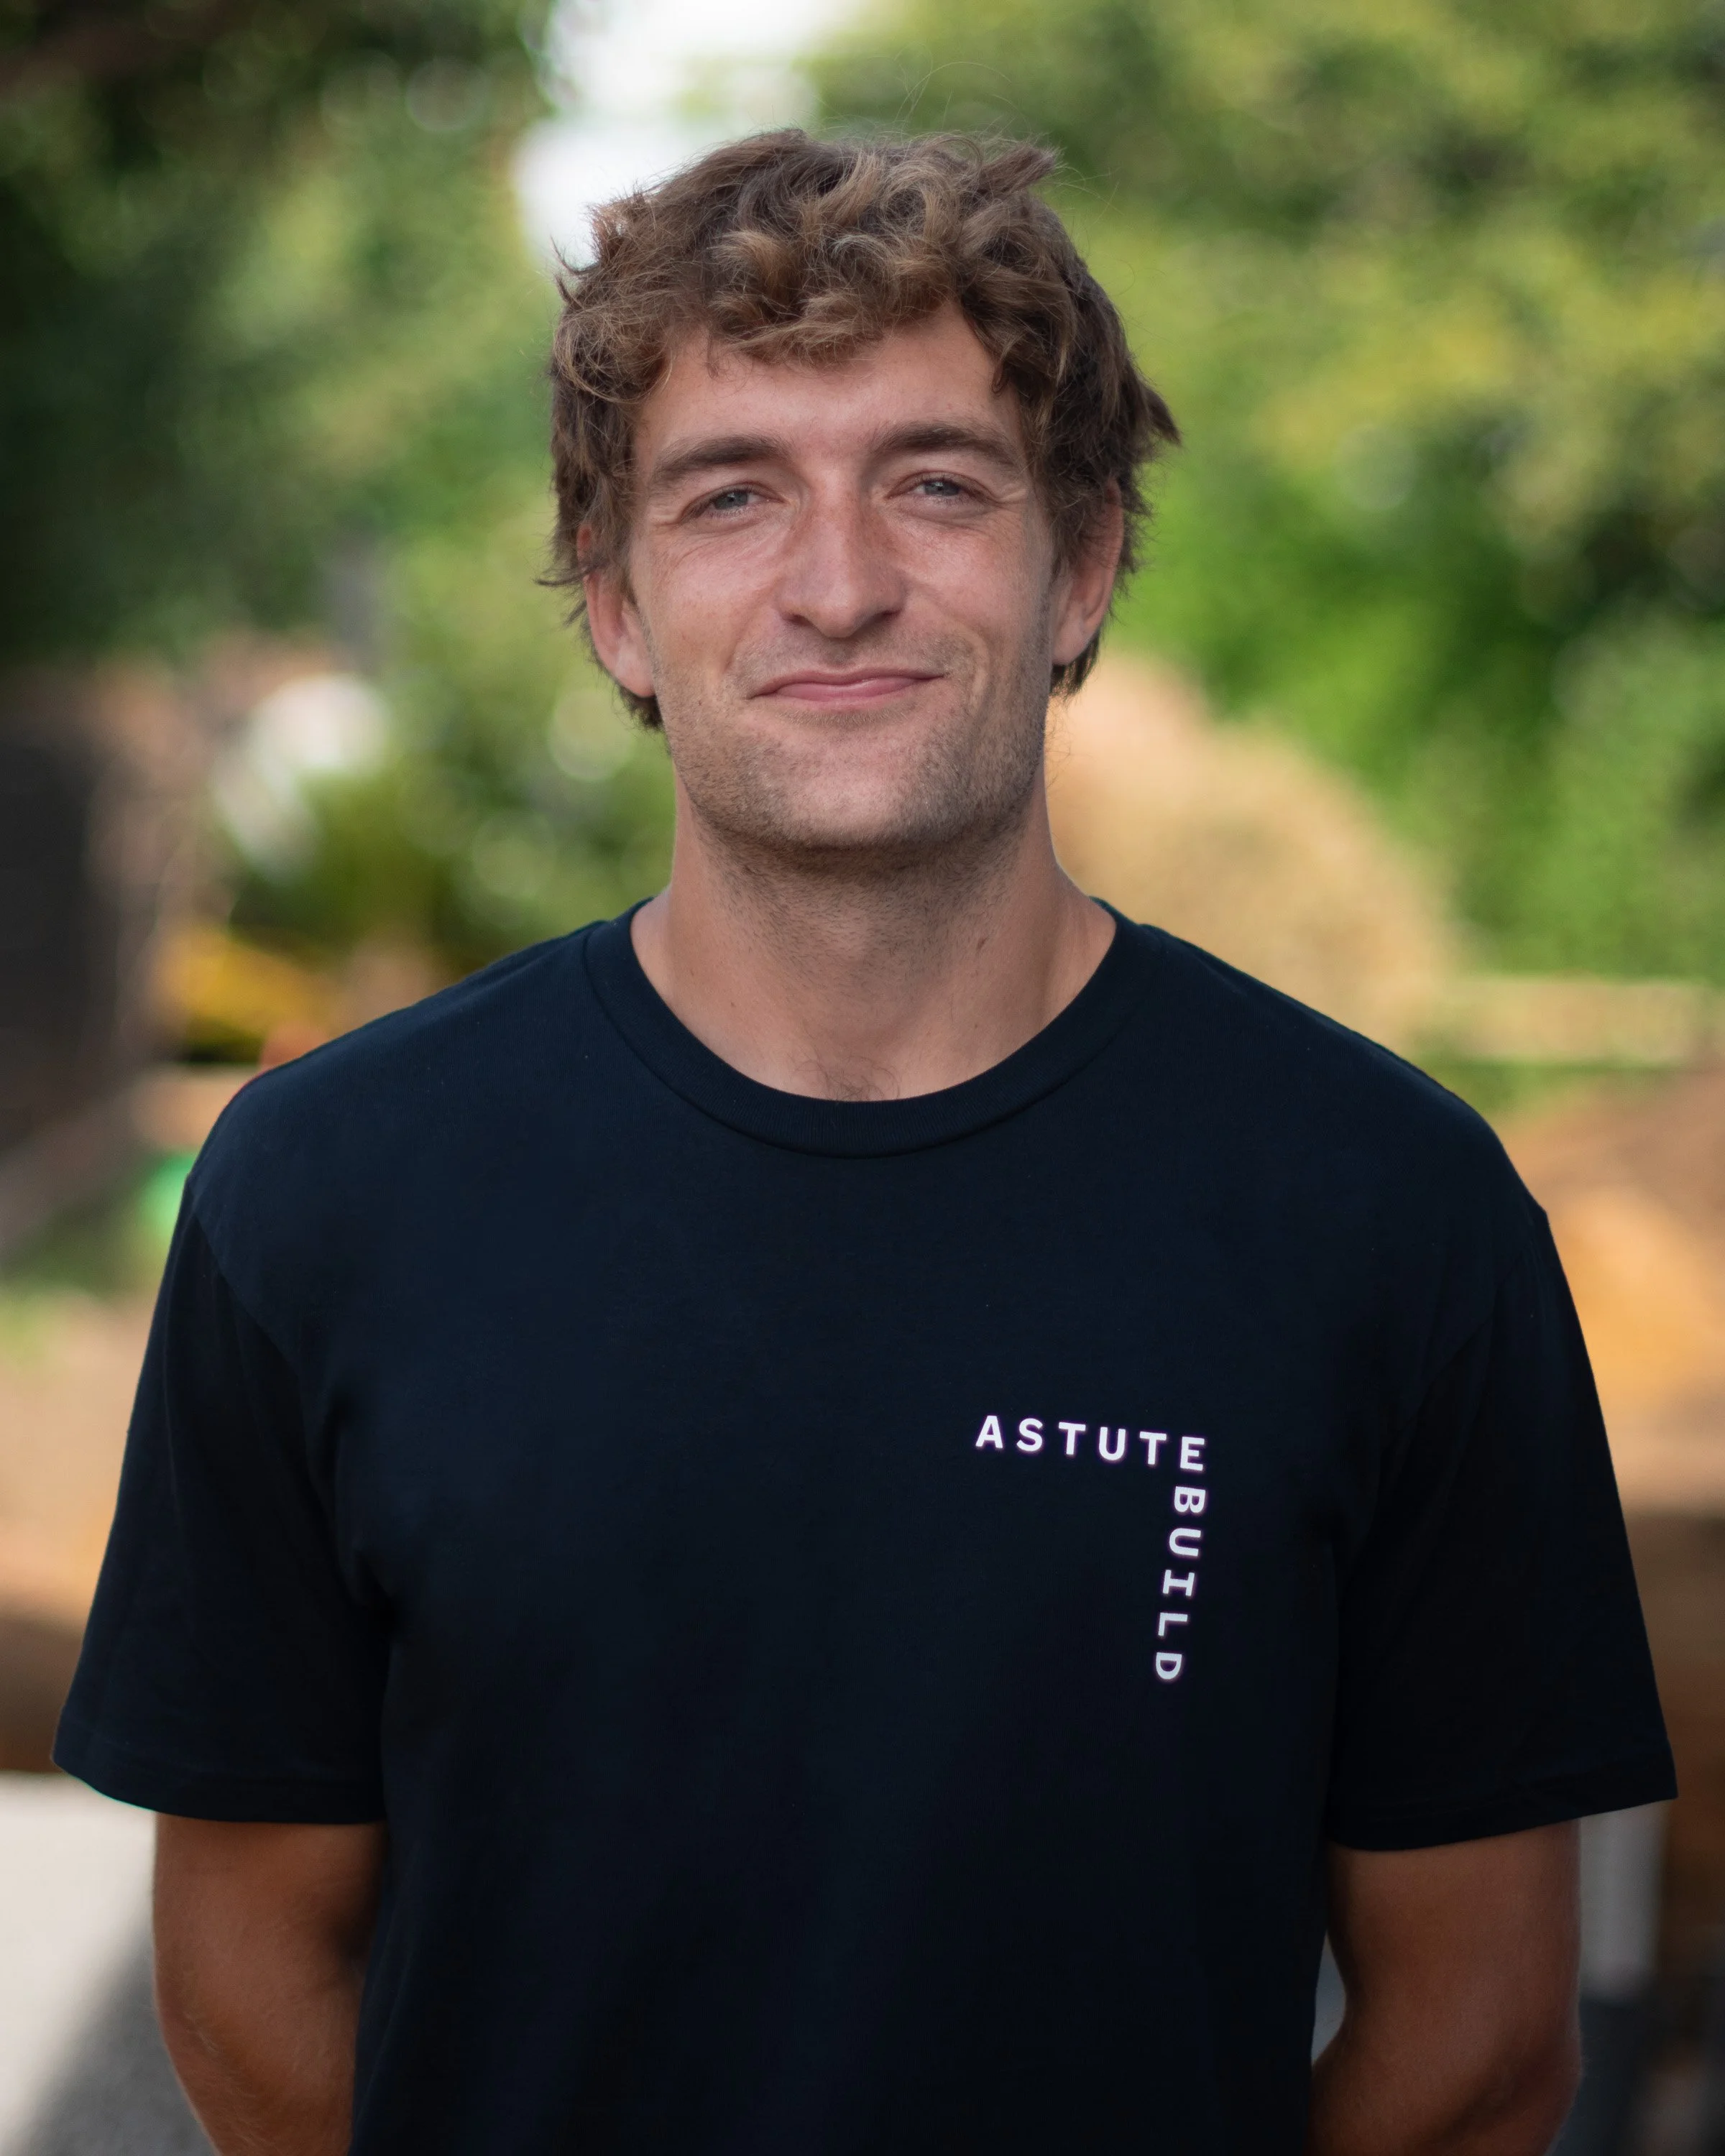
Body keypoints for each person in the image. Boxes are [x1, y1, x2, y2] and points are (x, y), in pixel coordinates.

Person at [57, 132, 1674, 2156]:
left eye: (937, 483)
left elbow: (1483, 2038)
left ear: (1081, 565)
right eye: (733, 495)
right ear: (617, 606)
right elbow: (247, 1979)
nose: (839, 586)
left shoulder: (1391, 1217)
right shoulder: (322, 1198)